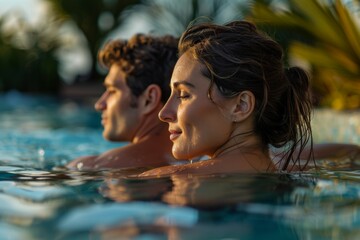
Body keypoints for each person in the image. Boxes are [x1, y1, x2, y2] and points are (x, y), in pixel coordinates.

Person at [141, 20, 314, 176]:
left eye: (184, 95)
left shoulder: (174, 181)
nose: (164, 113)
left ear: (241, 106)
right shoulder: (287, 173)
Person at [67, 34, 179, 170]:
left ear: (149, 99)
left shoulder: (93, 167)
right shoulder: (200, 161)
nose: (99, 104)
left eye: (112, 91)